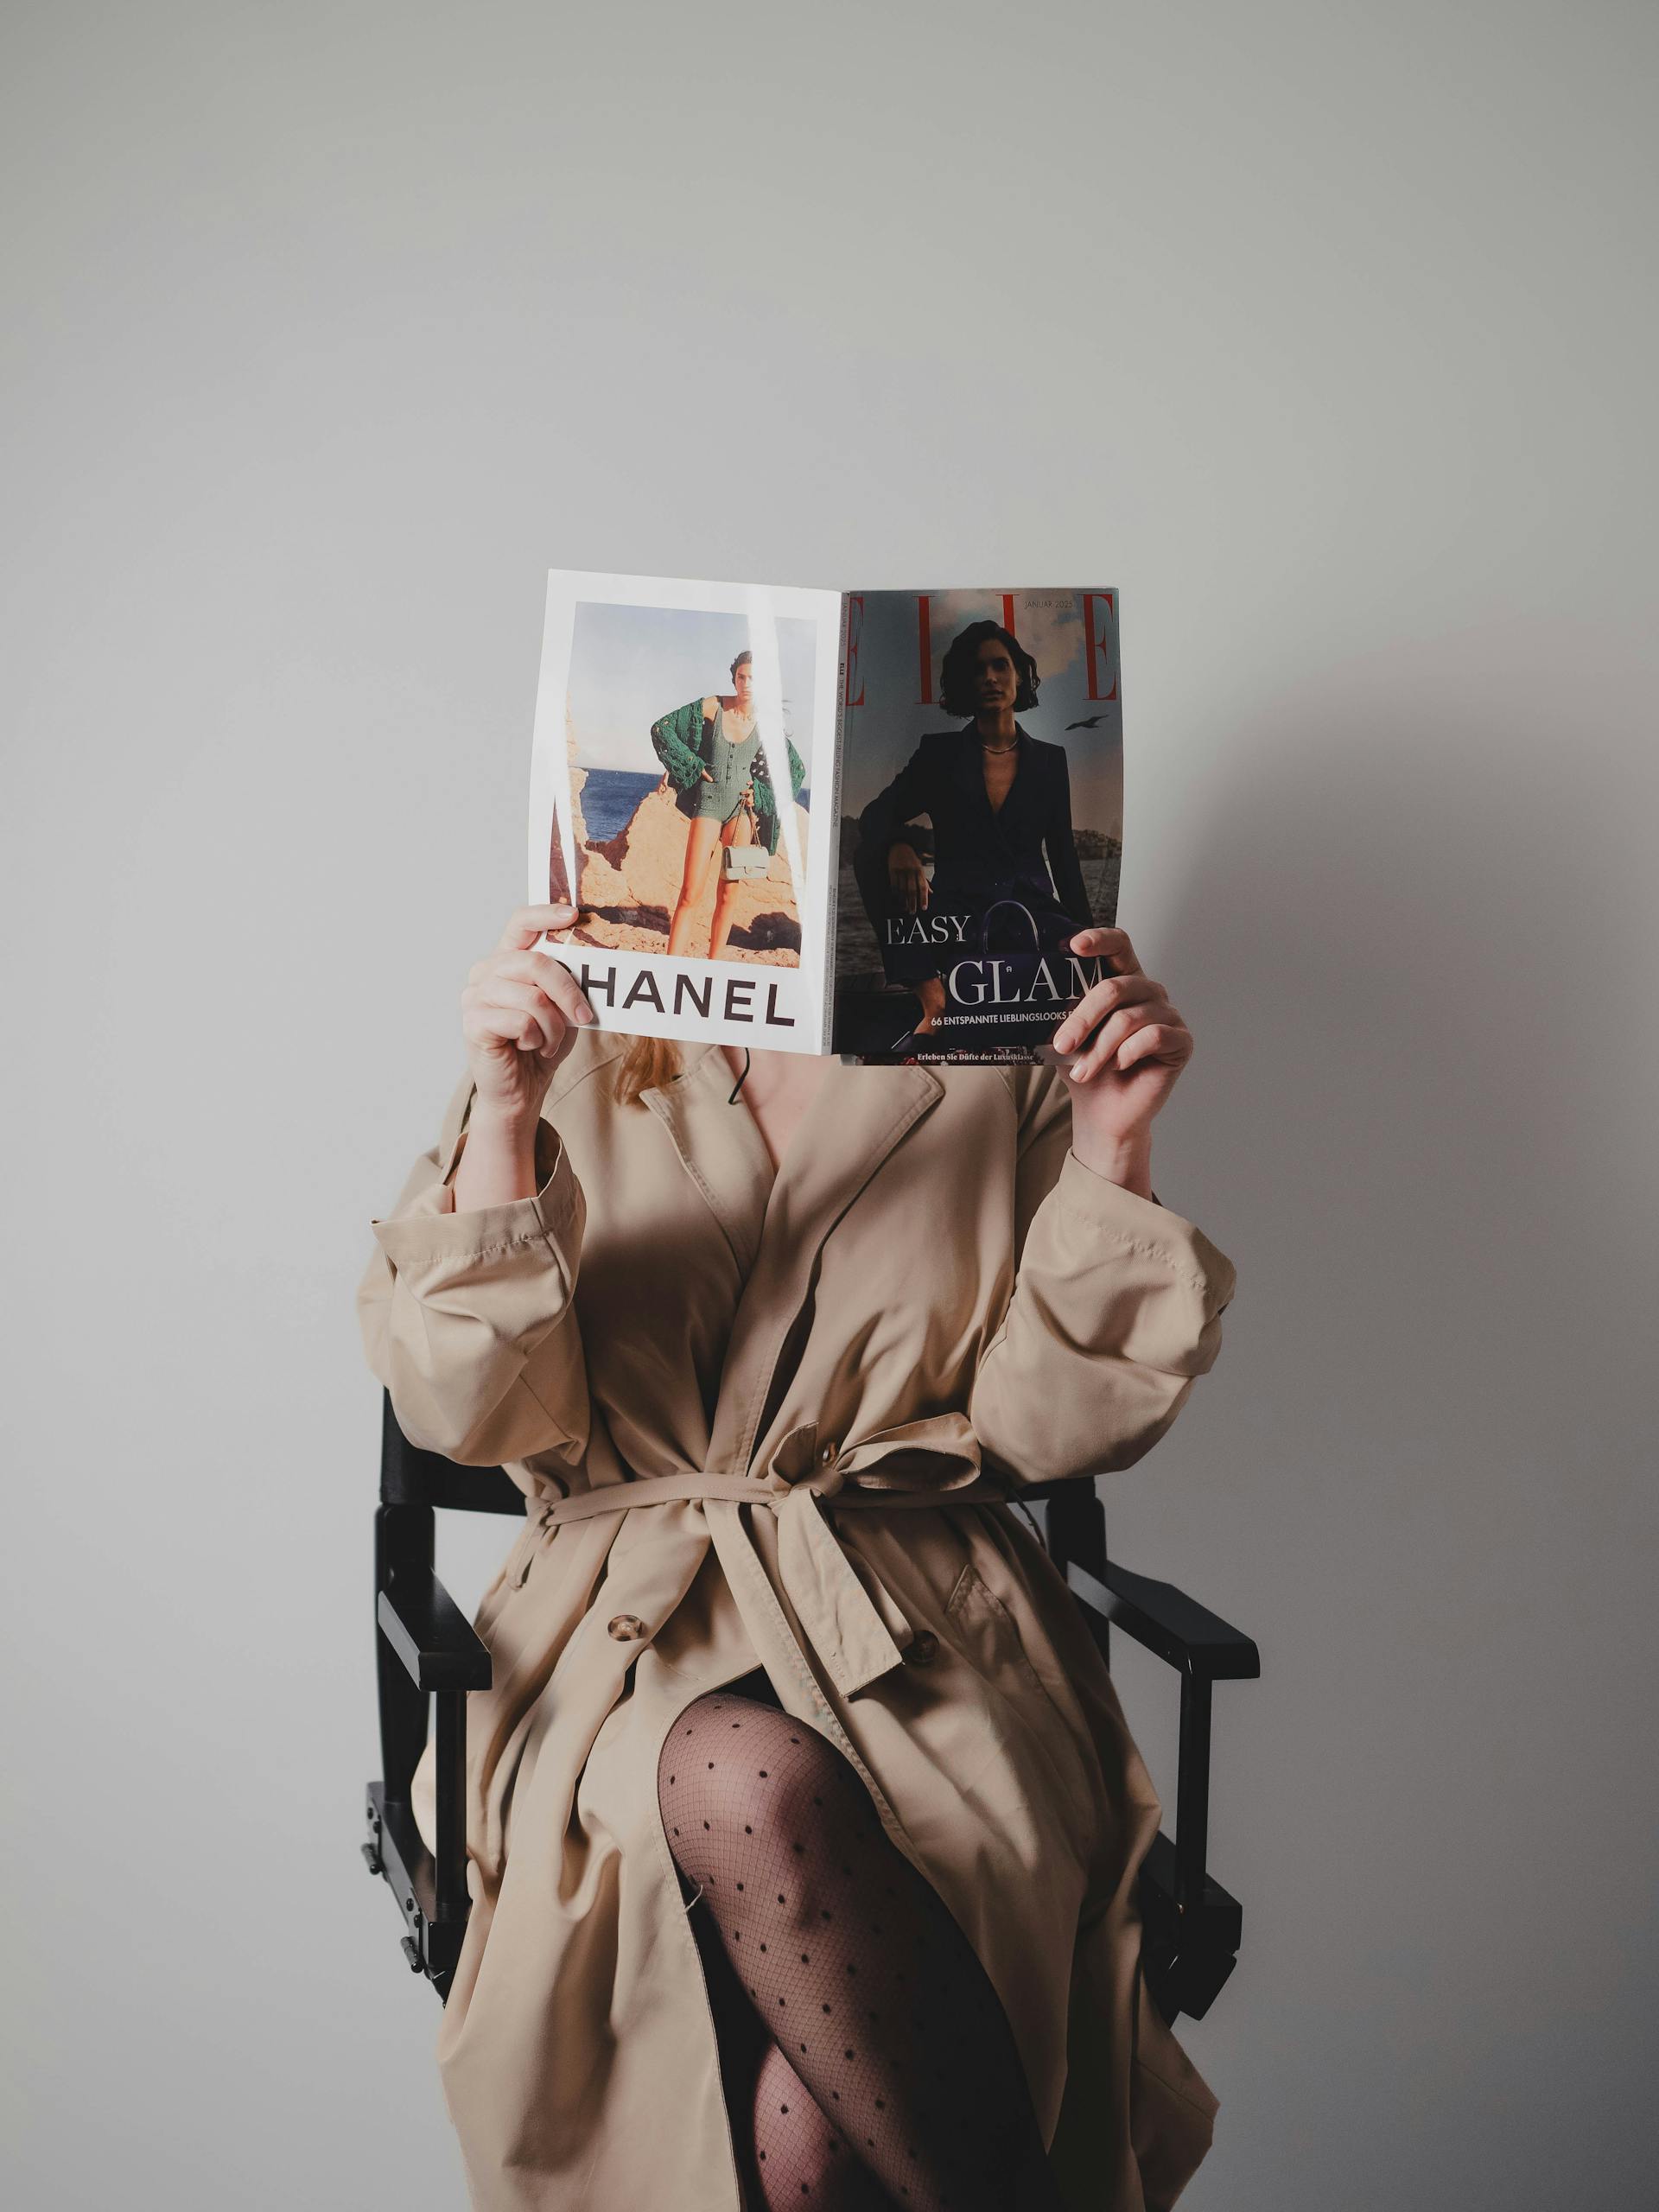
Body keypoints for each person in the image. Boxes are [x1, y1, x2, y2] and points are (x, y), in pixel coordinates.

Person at [359, 901, 1236, 2212]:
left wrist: (1113, 1146)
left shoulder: (1000, 1065)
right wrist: (501, 1115)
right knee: (743, 1783)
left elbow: (1050, 1435)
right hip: (619, 1634)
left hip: (917, 1619)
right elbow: (480, 1417)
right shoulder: (574, 1053)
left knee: (816, 2121)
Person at [852, 620, 1091, 1034]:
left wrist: (1091, 946)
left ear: (1019, 674)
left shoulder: (1052, 760)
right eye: (977, 670)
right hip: (956, 916)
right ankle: (932, 999)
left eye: (1001, 666)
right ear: (964, 683)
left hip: (1033, 911)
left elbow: (1064, 857)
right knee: (869, 852)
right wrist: (900, 845)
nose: (990, 678)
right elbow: (874, 817)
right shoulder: (939, 755)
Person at [652, 649, 807, 959]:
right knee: (690, 892)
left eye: (754, 679)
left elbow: (794, 770)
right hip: (708, 803)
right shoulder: (715, 706)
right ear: (734, 678)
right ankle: (671, 964)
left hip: (741, 812)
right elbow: (662, 728)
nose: (746, 684)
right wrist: (694, 766)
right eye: (741, 677)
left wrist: (760, 793)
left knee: (728, 895)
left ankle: (714, 964)